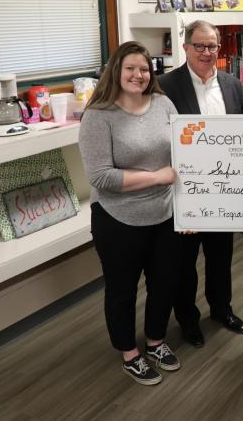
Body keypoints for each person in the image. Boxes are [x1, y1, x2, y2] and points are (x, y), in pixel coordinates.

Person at [79, 41, 181, 385]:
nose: (138, 75)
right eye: (130, 68)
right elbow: (101, 177)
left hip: (164, 213)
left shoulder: (164, 104)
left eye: (144, 69)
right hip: (117, 218)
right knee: (122, 291)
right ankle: (129, 353)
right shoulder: (98, 115)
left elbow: (186, 147)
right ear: (116, 71)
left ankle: (155, 342)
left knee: (164, 283)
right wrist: (156, 177)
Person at [159, 20, 243, 348]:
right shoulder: (164, 86)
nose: (206, 52)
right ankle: (188, 319)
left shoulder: (233, 85)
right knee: (185, 262)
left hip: (224, 188)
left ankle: (222, 309)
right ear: (185, 47)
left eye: (212, 46)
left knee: (221, 256)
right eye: (199, 45)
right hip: (185, 190)